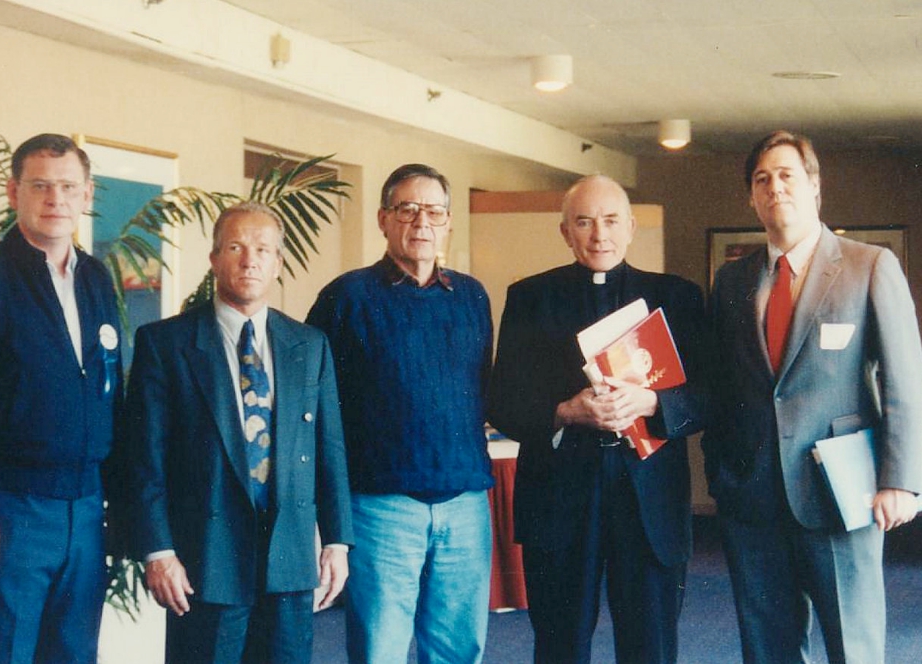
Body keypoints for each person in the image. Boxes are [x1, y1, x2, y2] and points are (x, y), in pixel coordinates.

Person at [703, 130, 922, 664]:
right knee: (769, 648)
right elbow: (722, 384)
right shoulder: (732, 280)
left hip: (841, 495)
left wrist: (901, 480)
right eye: (762, 179)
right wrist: (721, 472)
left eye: (786, 175)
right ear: (752, 198)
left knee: (855, 646)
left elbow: (904, 380)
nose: (775, 187)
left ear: (814, 188)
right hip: (753, 500)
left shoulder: (868, 265)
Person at [488, 174, 706, 664]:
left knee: (651, 646)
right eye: (584, 222)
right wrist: (567, 410)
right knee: (560, 645)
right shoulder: (530, 297)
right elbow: (502, 399)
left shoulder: (676, 297)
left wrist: (652, 403)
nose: (599, 235)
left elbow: (710, 397)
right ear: (565, 232)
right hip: (561, 496)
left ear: (631, 228)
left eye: (610, 221)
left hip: (648, 498)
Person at [122, 202, 354, 663]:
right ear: (214, 259)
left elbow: (329, 450)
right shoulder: (166, 344)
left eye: (263, 250)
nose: (250, 260)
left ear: (278, 264)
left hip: (288, 561)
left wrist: (336, 541)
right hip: (204, 563)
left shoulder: (309, 345)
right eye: (236, 247)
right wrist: (157, 550)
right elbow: (144, 458)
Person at [0, 133, 122, 663]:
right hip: (9, 510)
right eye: (40, 186)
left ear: (86, 196)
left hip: (84, 509)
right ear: (14, 193)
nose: (55, 199)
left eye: (67, 186)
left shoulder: (98, 280)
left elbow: (107, 389)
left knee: (74, 655)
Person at [306, 164, 494, 664]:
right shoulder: (346, 297)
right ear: (383, 219)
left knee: (459, 649)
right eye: (407, 210)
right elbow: (319, 412)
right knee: (380, 650)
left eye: (433, 211)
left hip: (466, 503)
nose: (421, 223)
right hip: (381, 507)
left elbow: (480, 389)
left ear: (449, 221)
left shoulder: (472, 296)